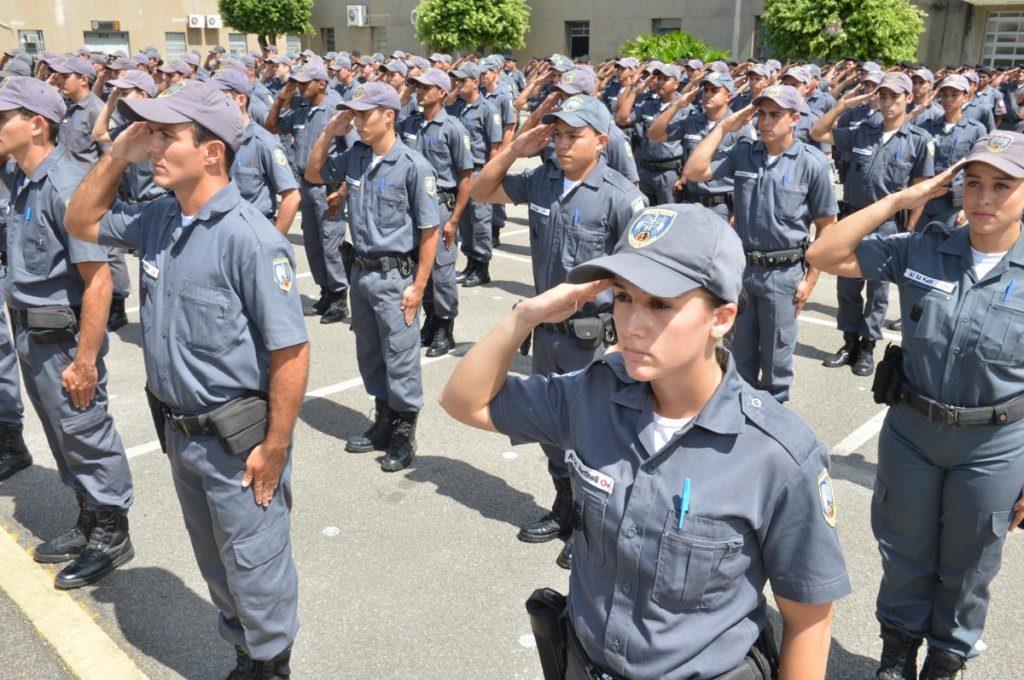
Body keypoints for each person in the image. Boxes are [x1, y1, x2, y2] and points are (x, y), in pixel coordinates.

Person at [440, 202, 851, 680]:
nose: (632, 323)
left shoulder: (776, 455)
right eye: (623, 297)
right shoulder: (594, 395)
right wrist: (524, 318)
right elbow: (464, 402)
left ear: (721, 318)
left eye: (660, 304)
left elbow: (809, 620)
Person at [65, 79, 308, 679]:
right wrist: (117, 154)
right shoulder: (159, 220)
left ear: (211, 152)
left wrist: (275, 447)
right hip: (180, 433)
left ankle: (272, 665)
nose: (153, 147)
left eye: (166, 136)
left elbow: (292, 352)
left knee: (256, 564)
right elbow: (80, 218)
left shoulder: (252, 240)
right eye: (150, 135)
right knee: (217, 564)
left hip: (237, 443)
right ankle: (245, 655)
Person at [805, 131, 1024, 680]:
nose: (983, 198)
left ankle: (947, 657)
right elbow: (824, 253)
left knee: (970, 563)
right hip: (912, 433)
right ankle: (897, 651)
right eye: (973, 183)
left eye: (1002, 185)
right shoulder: (924, 247)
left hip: (994, 445)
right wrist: (902, 201)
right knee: (904, 549)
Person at [471, 94, 646, 569]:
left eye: (575, 136)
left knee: (592, 431)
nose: (563, 146)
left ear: (601, 141)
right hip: (547, 334)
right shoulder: (544, 180)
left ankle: (592, 526)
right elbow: (481, 191)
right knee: (552, 427)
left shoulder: (621, 196)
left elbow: (637, 273)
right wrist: (513, 149)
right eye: (559, 136)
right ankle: (565, 506)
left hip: (593, 336)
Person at [0, 76, 135, 589]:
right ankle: (87, 517)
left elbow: (98, 280)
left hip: (63, 342)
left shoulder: (67, 184)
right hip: (33, 337)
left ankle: (111, 532)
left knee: (85, 432)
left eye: (2, 118)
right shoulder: (24, 179)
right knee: (63, 437)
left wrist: (85, 360)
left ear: (36, 125)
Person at [305, 82, 440, 472]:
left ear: (389, 116)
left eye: (365, 114)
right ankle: (382, 418)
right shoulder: (355, 158)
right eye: (355, 114)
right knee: (369, 352)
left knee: (400, 356)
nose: (358, 122)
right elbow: (314, 173)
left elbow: (430, 231)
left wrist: (419, 284)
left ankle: (403, 431)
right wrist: (331, 132)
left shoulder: (414, 167)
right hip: (361, 273)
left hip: (396, 277)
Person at [685, 85, 838, 403]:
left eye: (775, 115)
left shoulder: (811, 164)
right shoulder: (745, 153)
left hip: (782, 277)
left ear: (794, 118)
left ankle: (773, 429)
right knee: (737, 358)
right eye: (761, 114)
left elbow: (827, 228)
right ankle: (742, 423)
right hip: (743, 273)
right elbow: (694, 171)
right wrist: (724, 127)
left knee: (776, 366)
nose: (765, 122)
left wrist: (810, 280)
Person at [811, 71, 935, 376]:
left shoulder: (918, 141)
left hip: (887, 226)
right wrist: (842, 105)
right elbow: (818, 133)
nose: (888, 102)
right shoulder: (861, 131)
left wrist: (910, 229)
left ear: (908, 99)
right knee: (847, 286)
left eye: (895, 96)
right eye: (883, 95)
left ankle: (868, 347)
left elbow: (920, 189)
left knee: (878, 292)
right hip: (851, 218)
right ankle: (850, 342)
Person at [266, 58, 349, 323]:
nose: (300, 87)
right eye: (297, 83)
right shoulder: (301, 109)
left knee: (331, 243)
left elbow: (354, 151)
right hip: (306, 185)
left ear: (322, 83)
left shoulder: (335, 110)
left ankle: (339, 296)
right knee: (313, 244)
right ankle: (325, 291)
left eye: (305, 83)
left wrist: (343, 190)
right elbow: (271, 126)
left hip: (329, 188)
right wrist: (281, 98)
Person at [400, 68, 474, 357]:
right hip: (412, 208)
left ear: (442, 93)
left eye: (426, 87)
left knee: (442, 270)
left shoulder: (453, 128)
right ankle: (429, 321)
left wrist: (454, 219)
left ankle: (445, 327)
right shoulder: (409, 124)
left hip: (440, 206)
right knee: (422, 268)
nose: (420, 91)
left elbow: (466, 177)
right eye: (418, 87)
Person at [212, 68, 300, 235]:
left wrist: (275, 240)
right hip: (222, 232)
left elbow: (292, 196)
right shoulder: (216, 142)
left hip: (255, 232)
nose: (213, 104)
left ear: (240, 99)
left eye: (220, 97)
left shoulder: (263, 143)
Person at [447, 63, 502, 287]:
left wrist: (490, 178)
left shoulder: (488, 110)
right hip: (461, 174)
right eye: (457, 82)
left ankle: (482, 267)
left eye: (463, 81)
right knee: (466, 222)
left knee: (480, 222)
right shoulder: (457, 108)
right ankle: (470, 263)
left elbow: (495, 148)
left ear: (475, 82)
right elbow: (444, 102)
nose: (458, 86)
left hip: (479, 172)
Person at [918, 75, 988, 229]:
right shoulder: (927, 126)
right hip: (925, 198)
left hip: (954, 203)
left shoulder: (976, 130)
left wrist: (966, 208)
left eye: (954, 95)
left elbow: (981, 172)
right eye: (944, 94)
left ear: (966, 96)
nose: (948, 99)